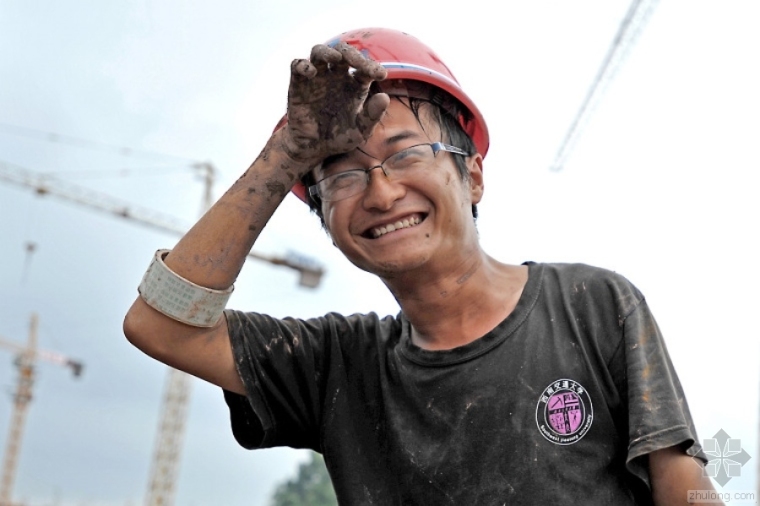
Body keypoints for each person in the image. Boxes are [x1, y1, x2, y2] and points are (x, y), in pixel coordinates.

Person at [124, 28, 720, 505]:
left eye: (406, 153)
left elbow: (684, 491)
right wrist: (287, 156)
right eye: (344, 174)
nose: (381, 194)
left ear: (474, 176)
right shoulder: (337, 366)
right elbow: (160, 326)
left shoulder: (591, 306)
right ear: (326, 221)